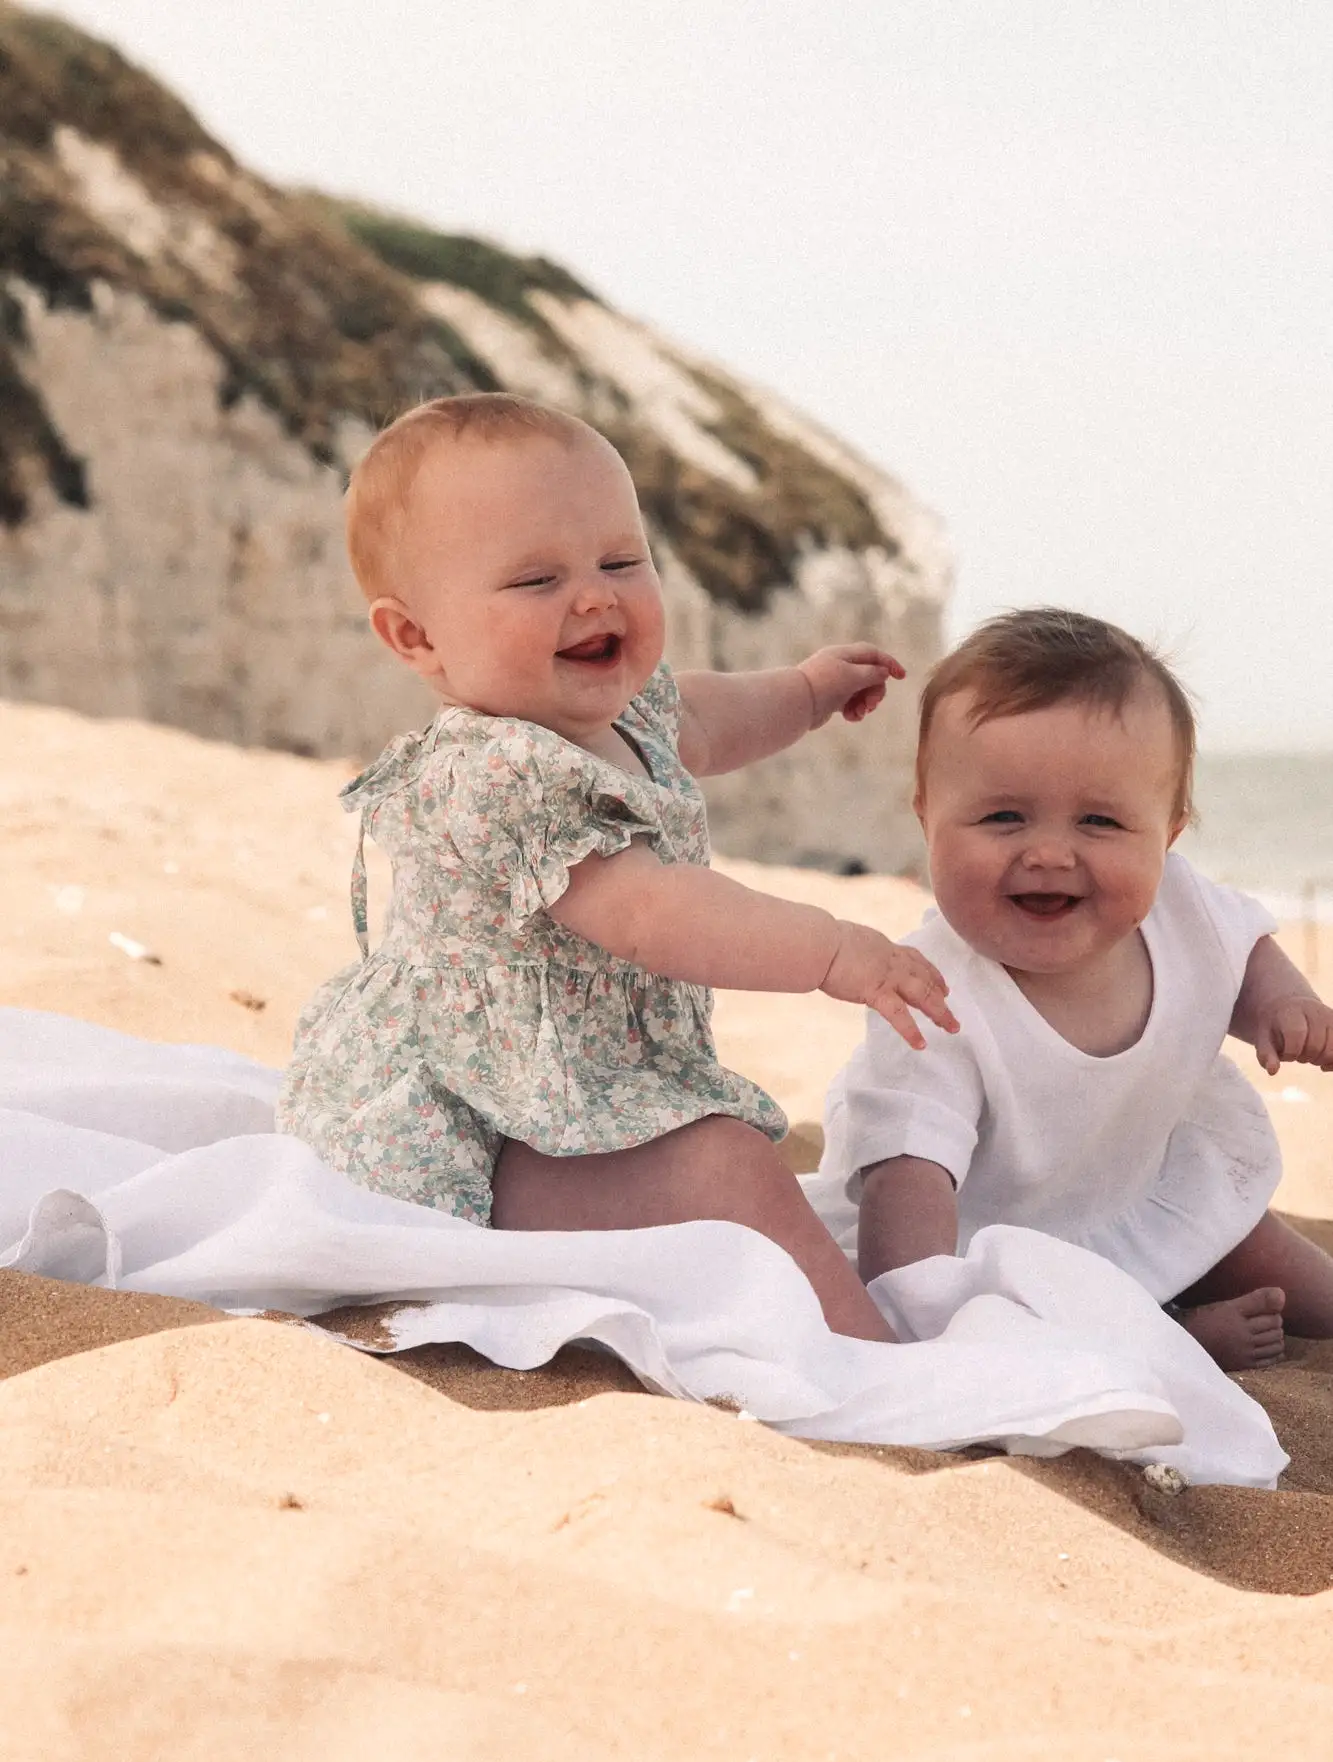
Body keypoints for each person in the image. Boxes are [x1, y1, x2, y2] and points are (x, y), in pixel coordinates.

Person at [277, 392, 958, 1343]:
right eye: (534, 580)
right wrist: (834, 952)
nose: (593, 597)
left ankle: (838, 1325)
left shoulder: (621, 714)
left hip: (574, 1087)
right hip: (476, 1125)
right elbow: (649, 912)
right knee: (724, 1164)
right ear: (415, 637)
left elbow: (708, 719)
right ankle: (870, 1356)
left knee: (724, 1163)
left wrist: (803, 692)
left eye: (619, 561)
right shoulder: (499, 772)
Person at [806, 607, 1333, 1371]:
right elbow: (907, 1214)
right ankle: (1176, 1342)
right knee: (1019, 1322)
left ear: (1169, 833)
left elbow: (1239, 946)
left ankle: (1176, 1313)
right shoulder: (929, 996)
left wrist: (1284, 1008)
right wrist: (921, 1308)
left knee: (1284, 1269)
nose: (1049, 853)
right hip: (999, 1246)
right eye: (1002, 816)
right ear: (926, 819)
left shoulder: (1179, 902)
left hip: (1142, 1185)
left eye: (1098, 821)